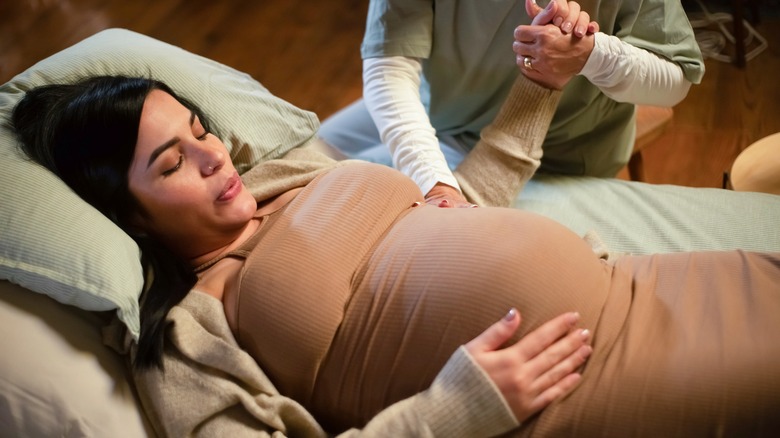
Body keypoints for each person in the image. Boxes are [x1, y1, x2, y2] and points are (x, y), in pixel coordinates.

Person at [12, 70, 780, 437]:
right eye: (171, 163)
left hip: (647, 289)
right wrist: (456, 409)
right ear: (130, 215)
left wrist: (538, 88)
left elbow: (461, 206)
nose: (213, 157)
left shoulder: (291, 177)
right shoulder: (191, 337)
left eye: (199, 131)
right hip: (581, 391)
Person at [317, 0, 705, 207]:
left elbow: (676, 80)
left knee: (369, 212)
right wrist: (433, 181)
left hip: (561, 147)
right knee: (310, 160)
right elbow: (389, 68)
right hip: (439, 104)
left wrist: (592, 55)